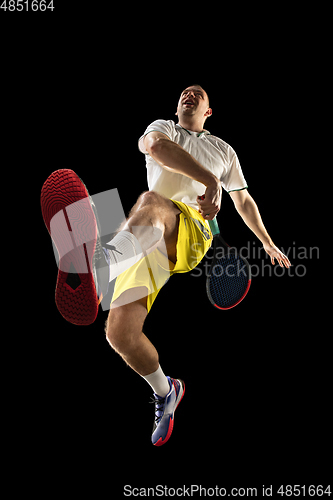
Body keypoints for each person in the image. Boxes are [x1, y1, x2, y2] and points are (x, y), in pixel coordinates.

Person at [41, 84, 291, 447]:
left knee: (152, 201)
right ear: (177, 108)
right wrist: (208, 181)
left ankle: (100, 258)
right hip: (146, 241)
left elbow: (244, 200)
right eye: (185, 93)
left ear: (209, 111)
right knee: (119, 335)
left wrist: (267, 241)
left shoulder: (224, 151)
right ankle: (166, 391)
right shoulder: (162, 128)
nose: (190, 94)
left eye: (199, 94)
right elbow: (156, 148)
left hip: (191, 230)